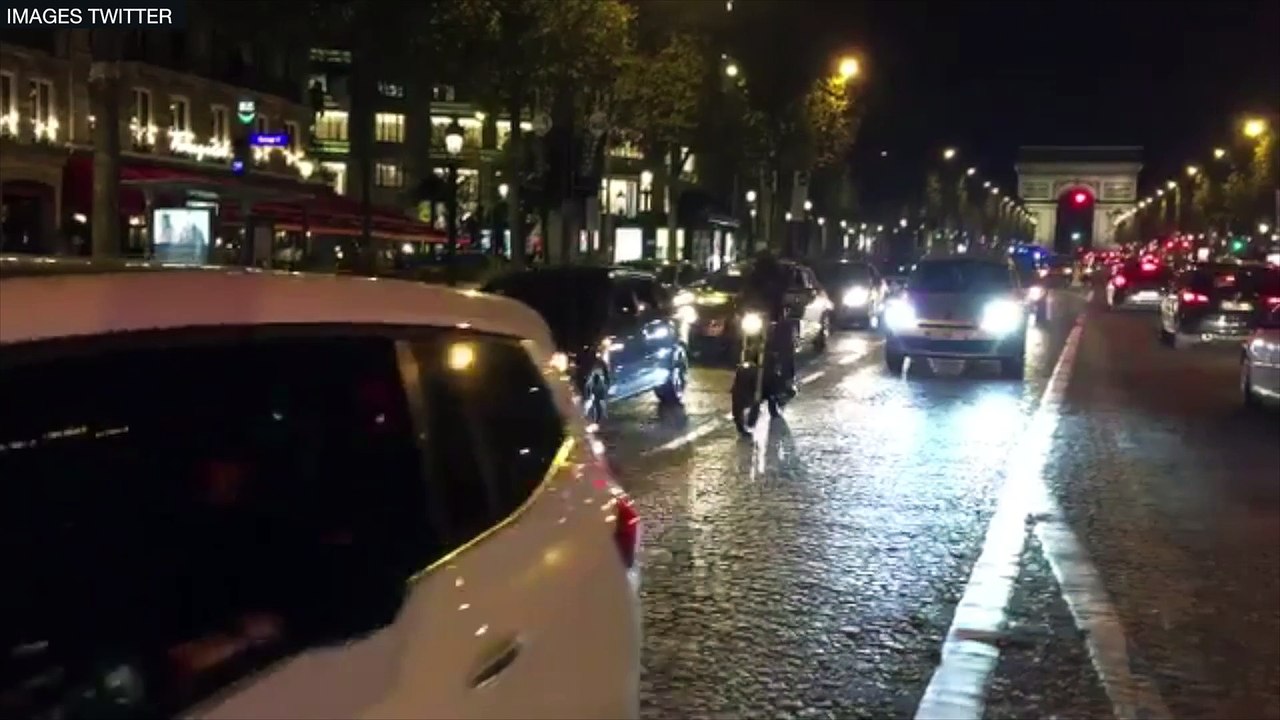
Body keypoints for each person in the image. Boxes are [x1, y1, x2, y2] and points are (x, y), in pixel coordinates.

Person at [739, 250, 797, 393]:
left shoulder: (779, 277)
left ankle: (788, 379)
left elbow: (785, 293)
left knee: (785, 343)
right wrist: (740, 309)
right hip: (757, 318)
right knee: (740, 337)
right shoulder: (752, 277)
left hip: (775, 318)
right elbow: (744, 294)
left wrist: (787, 304)